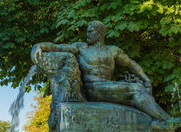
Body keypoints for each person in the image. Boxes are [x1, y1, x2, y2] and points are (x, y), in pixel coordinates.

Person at [31, 21, 172, 122]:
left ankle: (156, 123)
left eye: (90, 31)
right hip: (93, 89)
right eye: (87, 31)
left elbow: (131, 65)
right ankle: (166, 120)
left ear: (99, 33)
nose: (87, 34)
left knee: (140, 91)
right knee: (136, 89)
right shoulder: (82, 48)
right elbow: (58, 47)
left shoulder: (113, 50)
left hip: (109, 87)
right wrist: (39, 46)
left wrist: (146, 79)